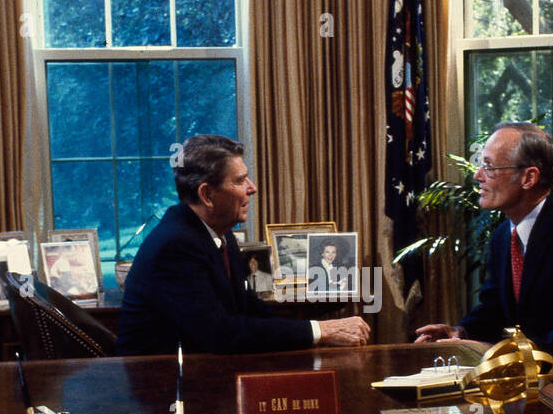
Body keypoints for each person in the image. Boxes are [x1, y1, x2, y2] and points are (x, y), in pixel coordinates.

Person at [117, 135, 370, 355]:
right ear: (207, 195)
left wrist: (318, 333)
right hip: (159, 389)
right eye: (240, 181)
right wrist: (320, 331)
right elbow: (221, 334)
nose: (253, 188)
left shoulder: (220, 234)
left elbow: (250, 311)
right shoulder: (175, 246)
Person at [415, 122, 553, 372]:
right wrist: (460, 331)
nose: (477, 176)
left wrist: (507, 354)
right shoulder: (504, 234)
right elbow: (494, 309)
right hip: (523, 376)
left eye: (489, 167)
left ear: (528, 177)